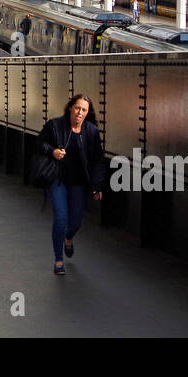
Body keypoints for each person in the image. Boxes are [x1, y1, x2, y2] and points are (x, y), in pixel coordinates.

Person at [37, 94, 106, 276]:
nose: (80, 113)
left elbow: (98, 160)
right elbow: (39, 142)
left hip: (79, 183)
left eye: (84, 110)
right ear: (70, 108)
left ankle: (68, 237)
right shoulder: (55, 125)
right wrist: (52, 151)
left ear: (87, 113)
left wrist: (97, 185)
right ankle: (58, 259)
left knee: (75, 222)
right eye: (77, 108)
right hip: (58, 180)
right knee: (60, 217)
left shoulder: (91, 132)